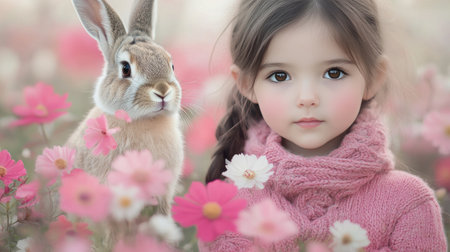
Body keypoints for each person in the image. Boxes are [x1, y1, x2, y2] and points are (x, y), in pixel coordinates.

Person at [202, 0, 447, 251]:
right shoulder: (228, 207)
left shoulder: (407, 203)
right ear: (246, 83)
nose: (307, 97)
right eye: (279, 75)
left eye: (334, 72)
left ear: (374, 77)